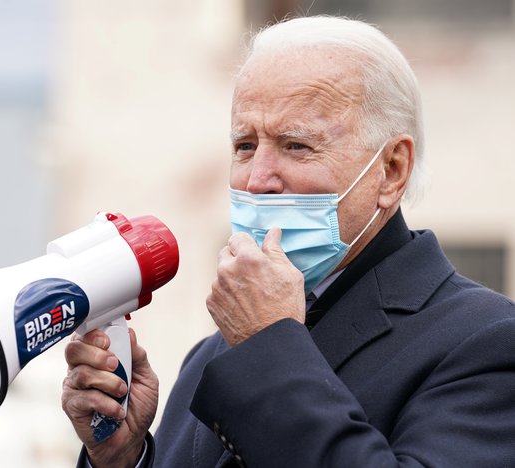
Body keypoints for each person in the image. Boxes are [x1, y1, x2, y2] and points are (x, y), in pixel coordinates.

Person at [61, 16, 515, 467]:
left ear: (392, 170)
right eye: (244, 146)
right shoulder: (214, 352)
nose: (257, 180)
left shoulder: (485, 342)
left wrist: (269, 347)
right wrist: (124, 459)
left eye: (296, 145)